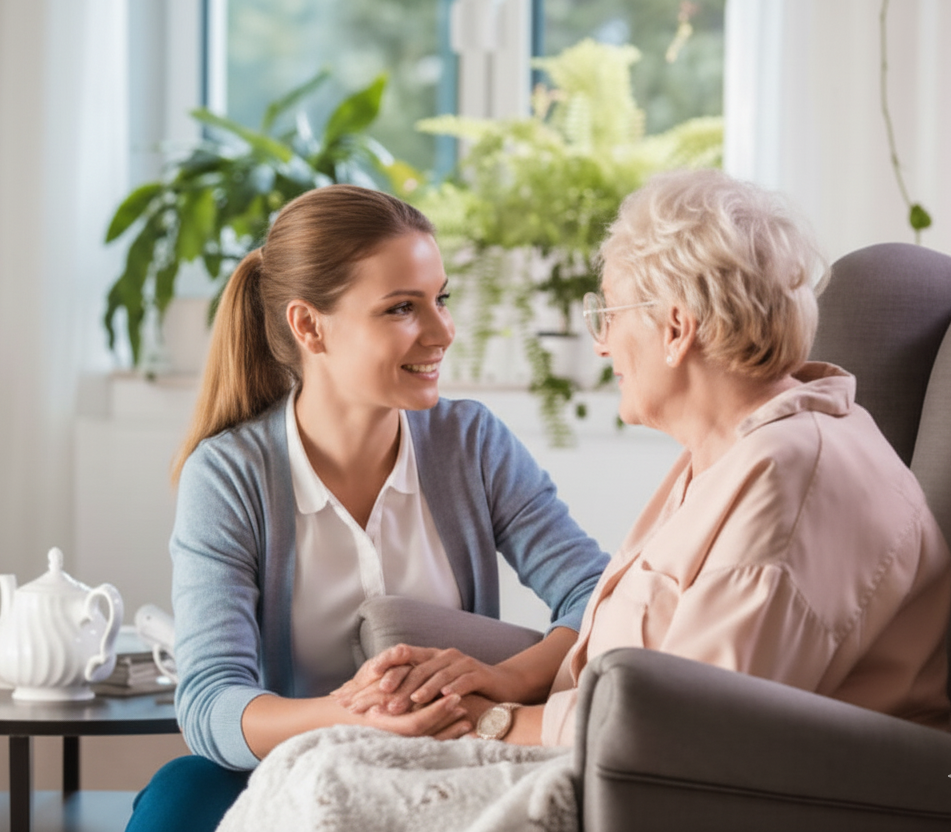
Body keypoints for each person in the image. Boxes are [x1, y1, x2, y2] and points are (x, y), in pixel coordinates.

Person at [338, 168, 951, 747]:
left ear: (676, 329)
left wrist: (494, 722)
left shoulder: (786, 480)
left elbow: (691, 728)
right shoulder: (731, 451)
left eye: (608, 313)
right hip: (616, 751)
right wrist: (509, 688)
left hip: (776, 790)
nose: (601, 345)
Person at [124, 184, 609, 831]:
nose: (442, 332)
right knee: (178, 798)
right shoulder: (229, 475)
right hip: (291, 766)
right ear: (308, 326)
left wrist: (507, 679)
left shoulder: (470, 443)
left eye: (440, 300)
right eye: (402, 308)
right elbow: (212, 702)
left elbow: (599, 597)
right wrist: (356, 715)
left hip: (452, 757)